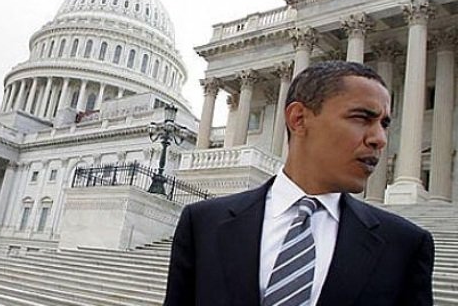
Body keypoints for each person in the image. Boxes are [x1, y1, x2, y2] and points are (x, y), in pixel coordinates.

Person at [164, 61, 434, 306]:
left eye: (384, 124)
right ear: (299, 119)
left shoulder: (404, 245)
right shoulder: (203, 224)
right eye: (362, 118)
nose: (380, 139)